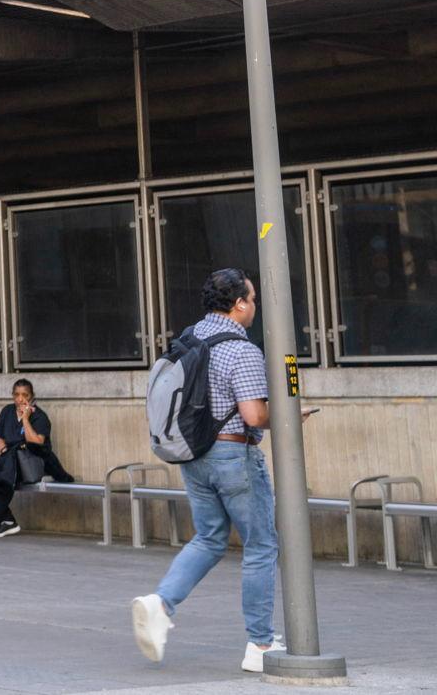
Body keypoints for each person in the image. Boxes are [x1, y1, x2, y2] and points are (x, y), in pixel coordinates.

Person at [133, 268, 312, 674]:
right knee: (261, 545)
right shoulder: (242, 349)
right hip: (234, 456)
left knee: (210, 537)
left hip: (194, 458)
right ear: (240, 304)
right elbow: (253, 413)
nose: (254, 308)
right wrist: (289, 415)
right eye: (252, 300)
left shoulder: (191, 338)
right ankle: (260, 643)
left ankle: (160, 603)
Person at [0, 378, 72, 538]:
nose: (20, 399)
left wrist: (26, 419)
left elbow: (37, 441)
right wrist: (5, 451)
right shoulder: (7, 411)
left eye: (25, 395)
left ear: (31, 396)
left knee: (6, 477)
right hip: (10, 459)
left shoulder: (39, 417)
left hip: (33, 461)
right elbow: (0, 438)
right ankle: (7, 520)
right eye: (17, 395)